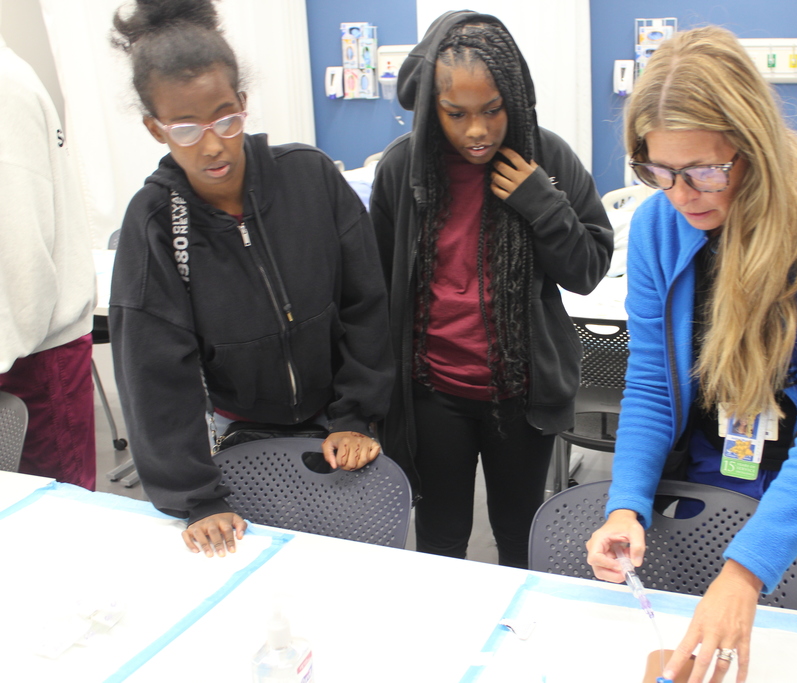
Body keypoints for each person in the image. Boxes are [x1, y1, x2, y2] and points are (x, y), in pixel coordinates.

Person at [584, 26, 797, 683]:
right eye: (659, 171)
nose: (682, 194)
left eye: (705, 171)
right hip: (730, 465)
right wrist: (626, 503)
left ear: (754, 147)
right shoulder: (660, 225)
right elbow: (655, 387)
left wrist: (744, 571)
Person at [108, 0, 393, 557]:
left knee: (350, 559)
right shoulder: (156, 225)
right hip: (242, 430)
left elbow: (366, 303)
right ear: (154, 128)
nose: (212, 144)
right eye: (186, 128)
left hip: (340, 421)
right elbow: (155, 375)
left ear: (243, 103)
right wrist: (199, 497)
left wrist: (356, 413)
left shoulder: (310, 178)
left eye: (225, 118)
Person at [371, 11, 613, 568]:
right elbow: (378, 291)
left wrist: (540, 202)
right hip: (433, 391)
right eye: (457, 114)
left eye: (492, 111)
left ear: (516, 99)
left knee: (519, 535)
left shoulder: (545, 158)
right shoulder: (402, 170)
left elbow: (586, 270)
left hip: (519, 391)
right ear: (433, 108)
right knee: (440, 537)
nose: (476, 130)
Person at [0, 20, 96, 490]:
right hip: (18, 343)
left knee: (56, 521)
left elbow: (19, 253)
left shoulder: (5, 90)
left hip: (34, 353)